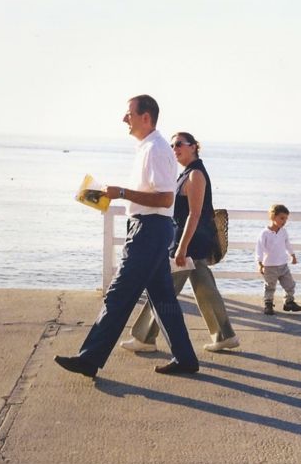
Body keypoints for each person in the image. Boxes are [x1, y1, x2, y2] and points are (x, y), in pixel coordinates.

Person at [54, 95, 199, 377]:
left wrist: (121, 193)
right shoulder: (147, 147)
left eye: (129, 113)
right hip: (149, 229)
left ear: (146, 117)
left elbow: (166, 198)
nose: (124, 118)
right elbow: (152, 197)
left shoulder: (156, 149)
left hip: (149, 230)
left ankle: (89, 359)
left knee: (118, 294)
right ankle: (186, 359)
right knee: (162, 298)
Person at [121, 132, 240, 353]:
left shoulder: (195, 174)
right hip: (194, 242)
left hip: (189, 243)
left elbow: (194, 214)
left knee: (162, 288)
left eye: (179, 145)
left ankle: (144, 338)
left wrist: (182, 248)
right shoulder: (186, 173)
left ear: (194, 147)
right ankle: (225, 336)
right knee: (205, 289)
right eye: (172, 145)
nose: (174, 149)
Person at [255, 203, 301, 315]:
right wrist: (260, 263)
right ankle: (268, 304)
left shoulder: (283, 232)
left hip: (283, 265)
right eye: (282, 218)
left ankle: (289, 302)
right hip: (269, 266)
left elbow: (287, 244)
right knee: (270, 286)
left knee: (290, 284)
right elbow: (259, 249)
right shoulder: (265, 233)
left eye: (286, 219)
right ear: (273, 217)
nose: (284, 221)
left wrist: (293, 255)